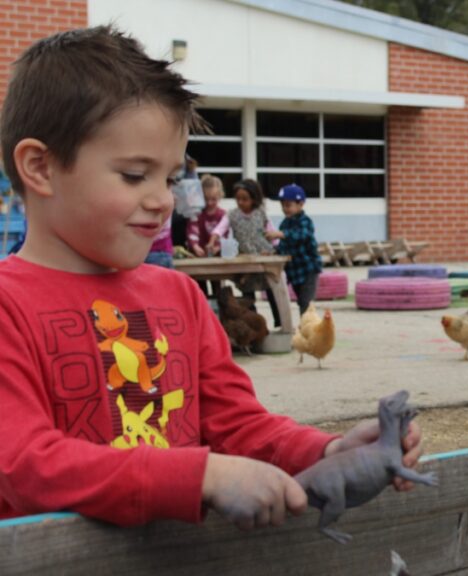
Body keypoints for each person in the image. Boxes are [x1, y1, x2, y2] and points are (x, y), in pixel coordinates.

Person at [0, 26, 424, 530]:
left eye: (171, 177)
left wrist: (326, 450)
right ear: (40, 167)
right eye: (135, 175)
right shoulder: (8, 305)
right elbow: (24, 466)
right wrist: (198, 476)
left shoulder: (178, 295)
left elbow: (236, 426)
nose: (163, 199)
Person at [212, 178, 282, 327]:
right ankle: (254, 323)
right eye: (238, 199)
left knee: (271, 291)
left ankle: (279, 321)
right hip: (246, 260)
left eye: (245, 199)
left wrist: (276, 247)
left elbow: (271, 231)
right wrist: (213, 239)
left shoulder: (261, 214)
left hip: (263, 257)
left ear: (254, 199)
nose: (241, 202)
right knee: (247, 294)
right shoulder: (232, 215)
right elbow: (220, 228)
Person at [266, 183, 322, 315]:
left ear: (300, 204)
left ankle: (308, 330)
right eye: (282, 205)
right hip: (294, 272)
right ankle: (301, 327)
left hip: (308, 270)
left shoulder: (305, 221)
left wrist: (281, 234)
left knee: (306, 303)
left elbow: (301, 235)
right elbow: (284, 246)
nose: (285, 209)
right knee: (298, 301)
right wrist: (273, 252)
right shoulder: (285, 223)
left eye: (288, 205)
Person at [187, 174, 227, 257]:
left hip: (218, 255)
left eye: (213, 199)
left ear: (220, 196)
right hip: (198, 254)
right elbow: (192, 231)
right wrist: (195, 246)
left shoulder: (223, 215)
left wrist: (219, 247)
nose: (209, 202)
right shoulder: (196, 214)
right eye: (206, 199)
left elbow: (225, 235)